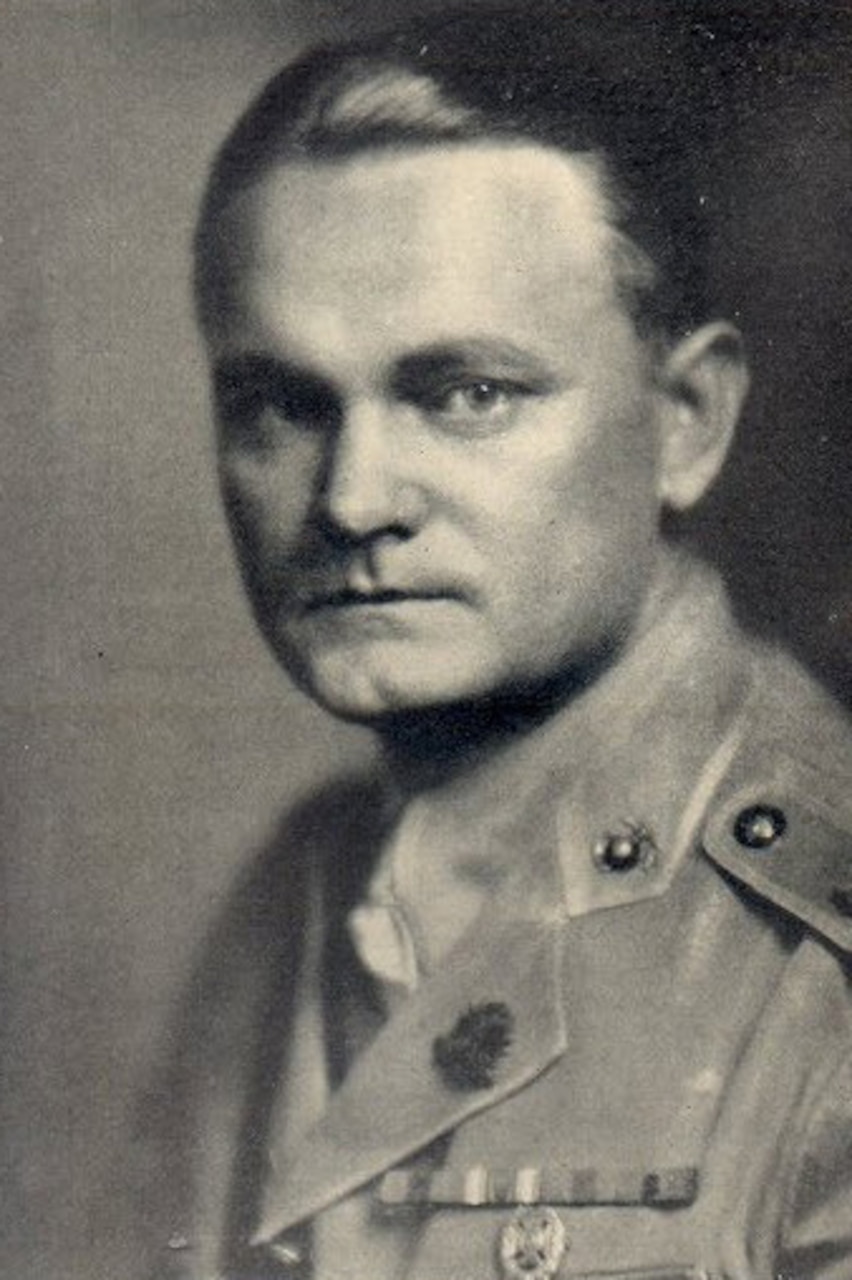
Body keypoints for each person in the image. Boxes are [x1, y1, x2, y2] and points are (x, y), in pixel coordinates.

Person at [138, 3, 852, 1276]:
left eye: (465, 393)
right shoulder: (283, 906)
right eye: (281, 405)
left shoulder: (818, 964)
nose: (354, 498)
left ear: (686, 419)